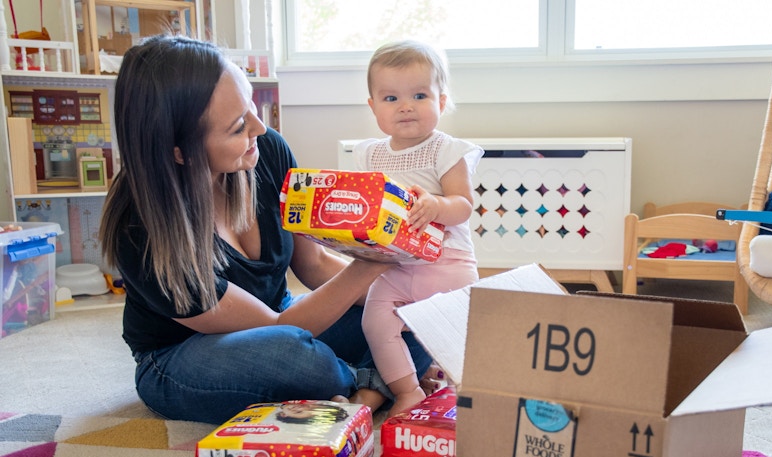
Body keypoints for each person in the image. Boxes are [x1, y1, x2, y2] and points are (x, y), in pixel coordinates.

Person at [98, 35, 434, 425]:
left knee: (416, 315)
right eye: (239, 126)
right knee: (295, 355)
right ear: (179, 151)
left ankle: (363, 395)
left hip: (281, 319)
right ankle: (374, 380)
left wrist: (399, 297)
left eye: (252, 107)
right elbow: (279, 329)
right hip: (182, 357)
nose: (259, 127)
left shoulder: (267, 150)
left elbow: (313, 264)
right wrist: (371, 263)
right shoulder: (139, 228)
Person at [353, 40, 483, 417]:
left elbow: (464, 205)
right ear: (374, 107)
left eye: (420, 95)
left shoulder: (446, 150)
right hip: (393, 266)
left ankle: (471, 394)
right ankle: (407, 390)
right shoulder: (369, 154)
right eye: (391, 98)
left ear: (441, 102)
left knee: (456, 335)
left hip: (446, 264)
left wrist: (436, 205)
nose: (405, 106)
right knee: (374, 320)